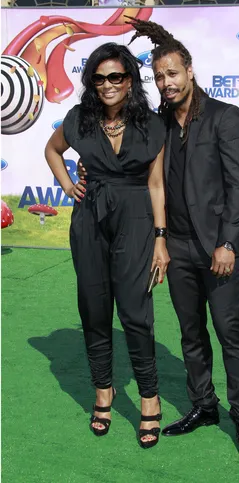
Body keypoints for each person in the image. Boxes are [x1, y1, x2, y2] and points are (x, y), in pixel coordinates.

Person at [124, 18, 239, 462]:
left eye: (172, 73)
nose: (166, 82)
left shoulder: (225, 116)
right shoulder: (159, 124)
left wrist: (227, 242)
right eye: (159, 76)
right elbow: (143, 173)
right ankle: (204, 406)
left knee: (230, 333)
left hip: (217, 247)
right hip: (176, 246)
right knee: (190, 333)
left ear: (189, 71)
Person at [45, 42, 170, 449]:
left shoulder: (152, 125)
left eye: (115, 76)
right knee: (95, 308)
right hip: (89, 219)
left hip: (135, 219)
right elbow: (52, 149)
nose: (107, 84)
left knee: (136, 312)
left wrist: (160, 238)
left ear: (130, 80)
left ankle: (149, 400)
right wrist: (68, 185)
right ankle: (104, 392)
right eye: (99, 78)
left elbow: (156, 184)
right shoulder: (79, 119)